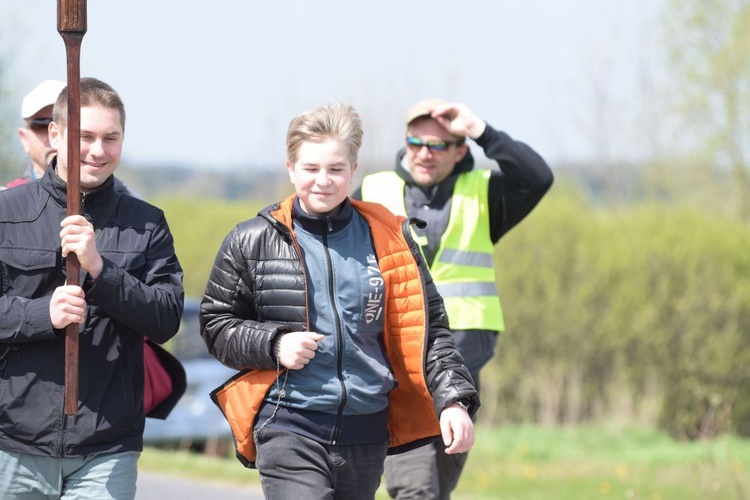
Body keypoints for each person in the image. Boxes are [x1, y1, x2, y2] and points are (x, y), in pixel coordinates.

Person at [200, 102, 479, 499]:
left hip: (366, 433)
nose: (323, 181)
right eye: (310, 169)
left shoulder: (391, 240)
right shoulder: (251, 241)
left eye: (335, 169)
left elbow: (431, 332)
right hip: (288, 424)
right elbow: (216, 325)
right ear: (291, 169)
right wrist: (274, 344)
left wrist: (453, 400)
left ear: (353, 170)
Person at [353, 98, 554, 499]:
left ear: (460, 151)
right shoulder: (372, 191)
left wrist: (481, 130)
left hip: (460, 362)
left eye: (438, 145)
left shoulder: (482, 192)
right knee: (415, 488)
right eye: (415, 142)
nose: (424, 153)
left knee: (437, 486)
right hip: (398, 364)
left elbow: (536, 177)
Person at [0, 77, 184, 499]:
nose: (98, 151)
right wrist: (41, 315)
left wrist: (101, 269)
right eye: (85, 136)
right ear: (55, 134)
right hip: (13, 441)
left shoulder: (147, 222)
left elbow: (166, 318)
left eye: (110, 138)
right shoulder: (6, 212)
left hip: (107, 445)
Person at [6, 79, 134, 196]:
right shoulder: (7, 207)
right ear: (24, 139)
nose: (98, 150)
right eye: (41, 125)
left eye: (66, 122)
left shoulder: (134, 209)